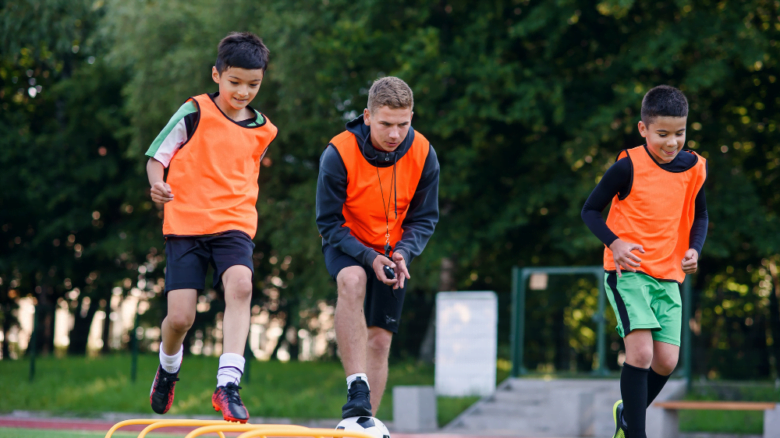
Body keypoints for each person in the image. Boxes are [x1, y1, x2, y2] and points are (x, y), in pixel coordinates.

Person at [144, 32, 277, 423]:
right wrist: (157, 183)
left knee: (242, 285)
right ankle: (168, 367)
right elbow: (157, 157)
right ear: (216, 75)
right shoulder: (193, 111)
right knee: (180, 319)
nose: (243, 92)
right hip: (186, 225)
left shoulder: (264, 130)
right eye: (235, 82)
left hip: (234, 223)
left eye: (253, 84)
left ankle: (228, 384)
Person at [581, 85, 708, 438]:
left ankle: (627, 413)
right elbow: (589, 210)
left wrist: (694, 249)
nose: (672, 142)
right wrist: (615, 243)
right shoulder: (627, 166)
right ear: (643, 129)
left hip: (668, 275)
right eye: (662, 134)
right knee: (640, 355)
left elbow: (700, 215)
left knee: (666, 361)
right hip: (629, 273)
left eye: (679, 133)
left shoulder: (694, 168)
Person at [316, 76, 440, 418]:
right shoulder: (338, 152)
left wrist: (404, 252)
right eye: (385, 124)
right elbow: (328, 222)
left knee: (381, 340)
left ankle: (363, 421)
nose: (394, 134)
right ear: (368, 116)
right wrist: (368, 256)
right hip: (346, 241)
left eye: (403, 124)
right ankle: (356, 384)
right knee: (352, 279)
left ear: (412, 116)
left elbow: (424, 218)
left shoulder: (424, 152)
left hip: (392, 251)